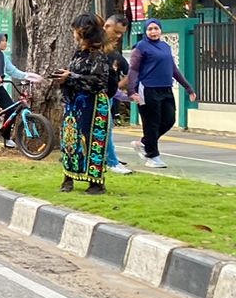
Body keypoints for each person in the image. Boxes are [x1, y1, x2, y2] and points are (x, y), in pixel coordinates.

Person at [55, 13, 119, 194]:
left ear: (83, 33)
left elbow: (99, 82)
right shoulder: (79, 52)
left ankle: (96, 183)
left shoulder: (99, 55)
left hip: (93, 106)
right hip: (75, 104)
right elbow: (75, 75)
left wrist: (71, 77)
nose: (74, 34)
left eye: (76, 31)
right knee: (70, 141)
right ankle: (68, 178)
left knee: (92, 143)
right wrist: (65, 78)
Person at [127, 18, 197, 168]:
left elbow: (173, 69)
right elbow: (133, 70)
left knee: (169, 119)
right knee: (151, 123)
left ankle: (144, 143)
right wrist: (131, 90)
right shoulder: (140, 47)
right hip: (147, 89)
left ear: (160, 30)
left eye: (156, 29)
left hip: (166, 89)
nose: (153, 32)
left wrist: (188, 88)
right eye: (150, 29)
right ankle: (152, 157)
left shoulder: (165, 46)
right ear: (146, 31)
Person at [102, 14, 134, 176]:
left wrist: (117, 88)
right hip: (90, 98)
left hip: (107, 99)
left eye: (122, 33)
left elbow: (131, 74)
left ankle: (112, 161)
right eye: (117, 32)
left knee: (106, 129)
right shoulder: (91, 50)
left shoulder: (115, 56)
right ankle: (111, 161)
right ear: (107, 27)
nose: (119, 37)